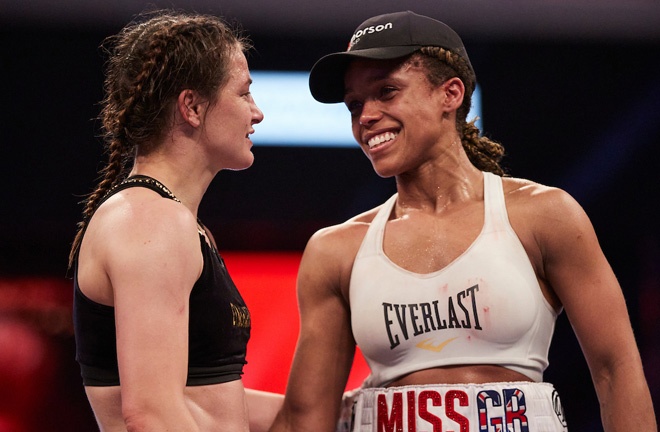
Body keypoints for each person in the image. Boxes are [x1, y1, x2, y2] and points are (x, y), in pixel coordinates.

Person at [269, 10, 657, 432]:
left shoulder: (542, 215)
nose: (366, 117)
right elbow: (307, 418)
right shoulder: (336, 250)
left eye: (387, 91)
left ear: (449, 94)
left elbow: (615, 370)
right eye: (355, 104)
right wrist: (194, 402)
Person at [68, 10, 279, 432]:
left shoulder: (169, 220)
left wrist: (347, 411)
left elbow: (208, 402)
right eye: (244, 94)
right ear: (193, 107)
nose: (257, 113)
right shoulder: (149, 221)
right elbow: (152, 415)